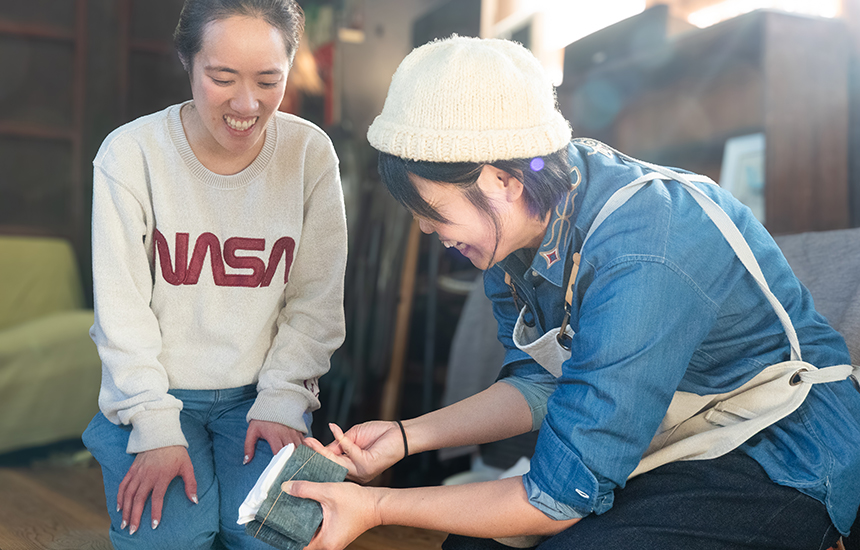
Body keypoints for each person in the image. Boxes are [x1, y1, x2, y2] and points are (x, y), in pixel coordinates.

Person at [289, 36, 860, 550]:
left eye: (429, 210)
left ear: (501, 181)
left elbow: (554, 499)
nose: (424, 230)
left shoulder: (646, 244)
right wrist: (405, 438)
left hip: (783, 451)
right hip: (670, 440)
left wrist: (376, 506)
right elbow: (540, 381)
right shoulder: (511, 230)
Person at [81, 0, 347, 548]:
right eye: (222, 77)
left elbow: (315, 301)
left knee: (271, 537)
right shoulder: (130, 155)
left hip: (261, 395)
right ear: (187, 61)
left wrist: (284, 400)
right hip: (156, 394)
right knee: (171, 538)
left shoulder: (309, 154)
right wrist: (154, 427)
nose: (246, 104)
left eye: (268, 80)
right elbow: (120, 311)